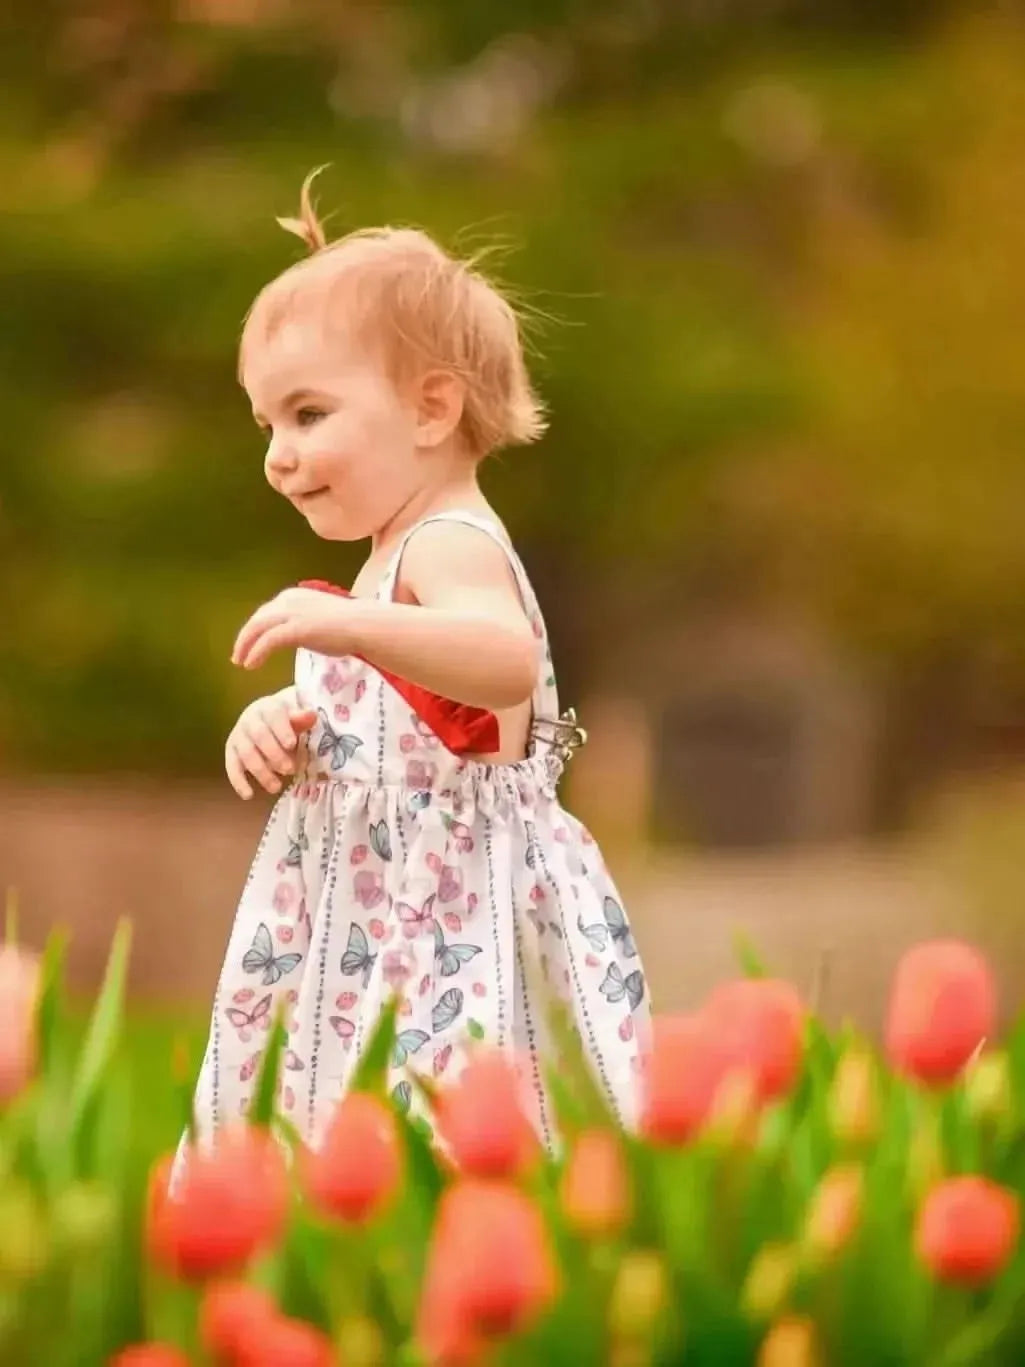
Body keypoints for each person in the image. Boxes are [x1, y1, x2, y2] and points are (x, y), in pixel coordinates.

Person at [189, 172, 649, 1150]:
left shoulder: (448, 542)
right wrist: (278, 727)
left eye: (308, 414)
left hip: (444, 917)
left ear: (431, 409)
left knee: (445, 1125)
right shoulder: (382, 572)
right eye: (265, 423)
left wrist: (350, 627)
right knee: (344, 1113)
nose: (276, 453)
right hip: (368, 909)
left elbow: (501, 658)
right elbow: (375, 720)